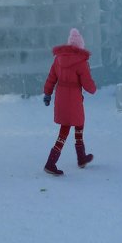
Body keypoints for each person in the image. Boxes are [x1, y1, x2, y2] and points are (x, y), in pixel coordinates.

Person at [42, 28, 97, 175]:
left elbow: (51, 78)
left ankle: (81, 157)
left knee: (76, 123)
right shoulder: (81, 62)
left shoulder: (58, 59)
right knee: (69, 128)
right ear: (80, 47)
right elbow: (87, 84)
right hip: (74, 98)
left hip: (61, 97)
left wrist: (47, 94)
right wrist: (93, 88)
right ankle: (51, 162)